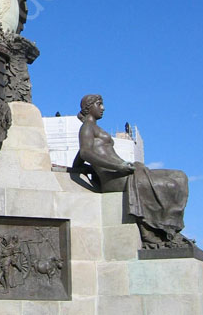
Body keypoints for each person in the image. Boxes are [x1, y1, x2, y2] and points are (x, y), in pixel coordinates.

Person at [74, 94, 190, 249]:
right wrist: (119, 167)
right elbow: (85, 153)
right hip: (116, 178)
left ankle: (171, 228)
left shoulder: (93, 129)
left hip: (125, 171)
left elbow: (79, 159)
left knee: (180, 176)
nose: (103, 108)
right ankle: (166, 230)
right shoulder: (87, 128)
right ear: (89, 107)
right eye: (99, 104)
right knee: (171, 185)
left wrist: (84, 169)